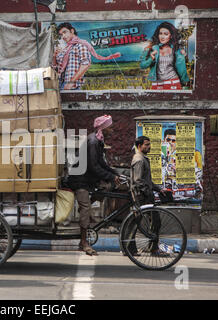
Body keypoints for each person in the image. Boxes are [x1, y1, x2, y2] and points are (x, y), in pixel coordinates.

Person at [67, 115, 121, 256]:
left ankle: (87, 208)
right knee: (86, 209)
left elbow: (101, 163)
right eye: (110, 127)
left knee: (108, 187)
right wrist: (111, 176)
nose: (113, 130)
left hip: (89, 179)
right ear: (104, 128)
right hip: (80, 179)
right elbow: (94, 166)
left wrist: (115, 173)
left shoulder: (98, 140)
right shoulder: (93, 141)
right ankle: (84, 243)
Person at [129, 136, 169, 256]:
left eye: (149, 144)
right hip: (142, 196)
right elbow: (138, 180)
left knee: (138, 222)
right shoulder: (139, 160)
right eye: (146, 145)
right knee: (149, 221)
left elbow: (146, 180)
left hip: (144, 194)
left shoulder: (143, 158)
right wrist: (148, 192)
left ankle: (133, 249)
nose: (149, 146)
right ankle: (153, 249)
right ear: (139, 146)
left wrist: (158, 189)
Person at [52, 22, 121, 90]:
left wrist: (70, 83)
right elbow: (56, 68)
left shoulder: (81, 45)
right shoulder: (65, 48)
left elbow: (85, 64)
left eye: (65, 32)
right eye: (61, 34)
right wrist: (54, 57)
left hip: (72, 87)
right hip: (60, 85)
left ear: (72, 31)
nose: (63, 36)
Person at [140, 22, 189, 90]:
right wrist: (151, 59)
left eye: (166, 34)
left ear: (171, 36)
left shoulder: (176, 50)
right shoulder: (151, 48)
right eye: (160, 34)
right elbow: (142, 65)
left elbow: (181, 68)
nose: (162, 37)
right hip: (157, 83)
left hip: (173, 82)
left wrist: (184, 82)